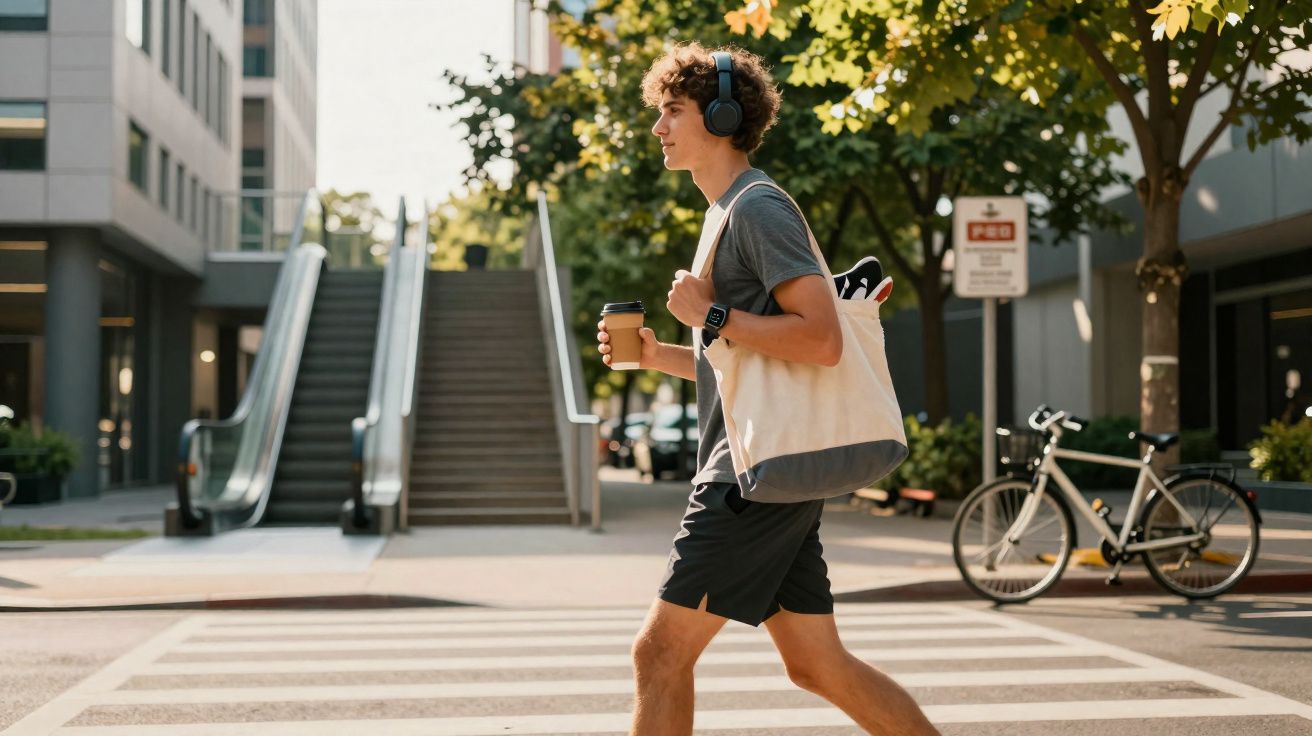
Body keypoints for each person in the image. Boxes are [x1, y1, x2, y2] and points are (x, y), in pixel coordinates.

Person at [595, 42, 940, 736]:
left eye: (673, 111)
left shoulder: (757, 209)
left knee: (659, 653)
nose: (658, 128)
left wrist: (712, 314)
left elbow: (820, 338)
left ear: (723, 117)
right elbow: (742, 361)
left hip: (747, 480)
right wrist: (663, 351)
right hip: (766, 468)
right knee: (818, 667)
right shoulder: (723, 213)